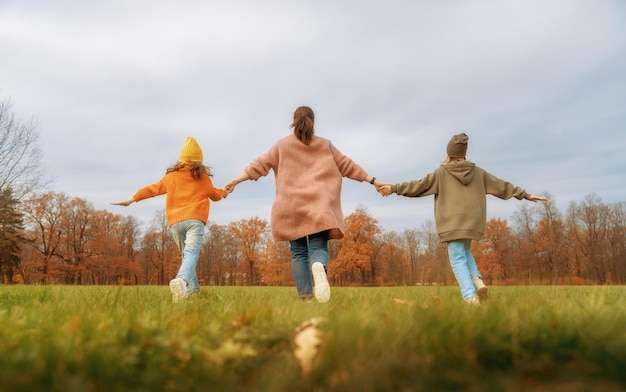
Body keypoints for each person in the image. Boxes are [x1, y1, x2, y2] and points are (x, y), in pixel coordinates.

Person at [225, 106, 383, 303]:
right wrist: (373, 180)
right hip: (319, 206)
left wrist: (235, 181)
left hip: (289, 208)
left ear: (293, 121)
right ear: (313, 122)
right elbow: (347, 166)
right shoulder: (325, 145)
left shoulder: (281, 146)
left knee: (298, 254)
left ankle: (306, 298)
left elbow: (259, 165)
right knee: (318, 248)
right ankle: (318, 265)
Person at [378, 133, 547, 304]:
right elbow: (502, 186)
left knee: (457, 259)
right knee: (464, 252)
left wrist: (393, 188)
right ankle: (477, 280)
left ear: (449, 154)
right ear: (464, 154)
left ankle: (470, 298)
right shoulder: (480, 173)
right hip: (473, 221)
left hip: (452, 223)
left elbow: (417, 186)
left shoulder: (441, 173)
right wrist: (526, 195)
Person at [111, 136, 226, 302]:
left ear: (181, 159)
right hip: (195, 220)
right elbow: (215, 196)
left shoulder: (171, 177)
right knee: (191, 254)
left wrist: (132, 199)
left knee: (187, 257)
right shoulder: (203, 178)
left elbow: (152, 189)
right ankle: (181, 280)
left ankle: (192, 293)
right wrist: (224, 191)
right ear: (199, 160)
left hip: (175, 223)